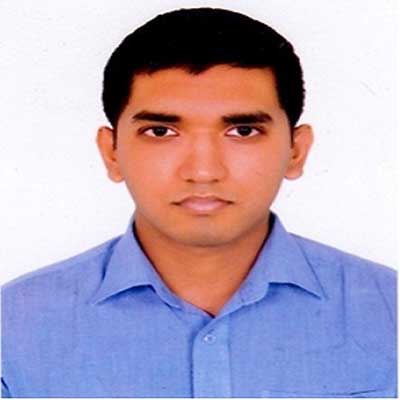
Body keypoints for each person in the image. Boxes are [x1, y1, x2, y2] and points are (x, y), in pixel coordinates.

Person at [1, 7, 396, 398]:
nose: (203, 171)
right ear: (111, 153)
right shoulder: (14, 329)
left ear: (296, 151)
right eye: (161, 131)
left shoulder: (388, 313)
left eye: (243, 131)